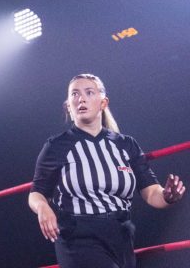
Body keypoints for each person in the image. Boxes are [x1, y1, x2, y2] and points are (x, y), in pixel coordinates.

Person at [28, 74, 185, 268]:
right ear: (68, 105)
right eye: (74, 94)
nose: (81, 99)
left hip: (121, 236)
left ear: (103, 103)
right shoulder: (56, 146)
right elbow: (36, 193)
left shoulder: (126, 144)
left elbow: (151, 191)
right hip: (78, 235)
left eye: (89, 92)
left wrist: (168, 196)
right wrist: (43, 208)